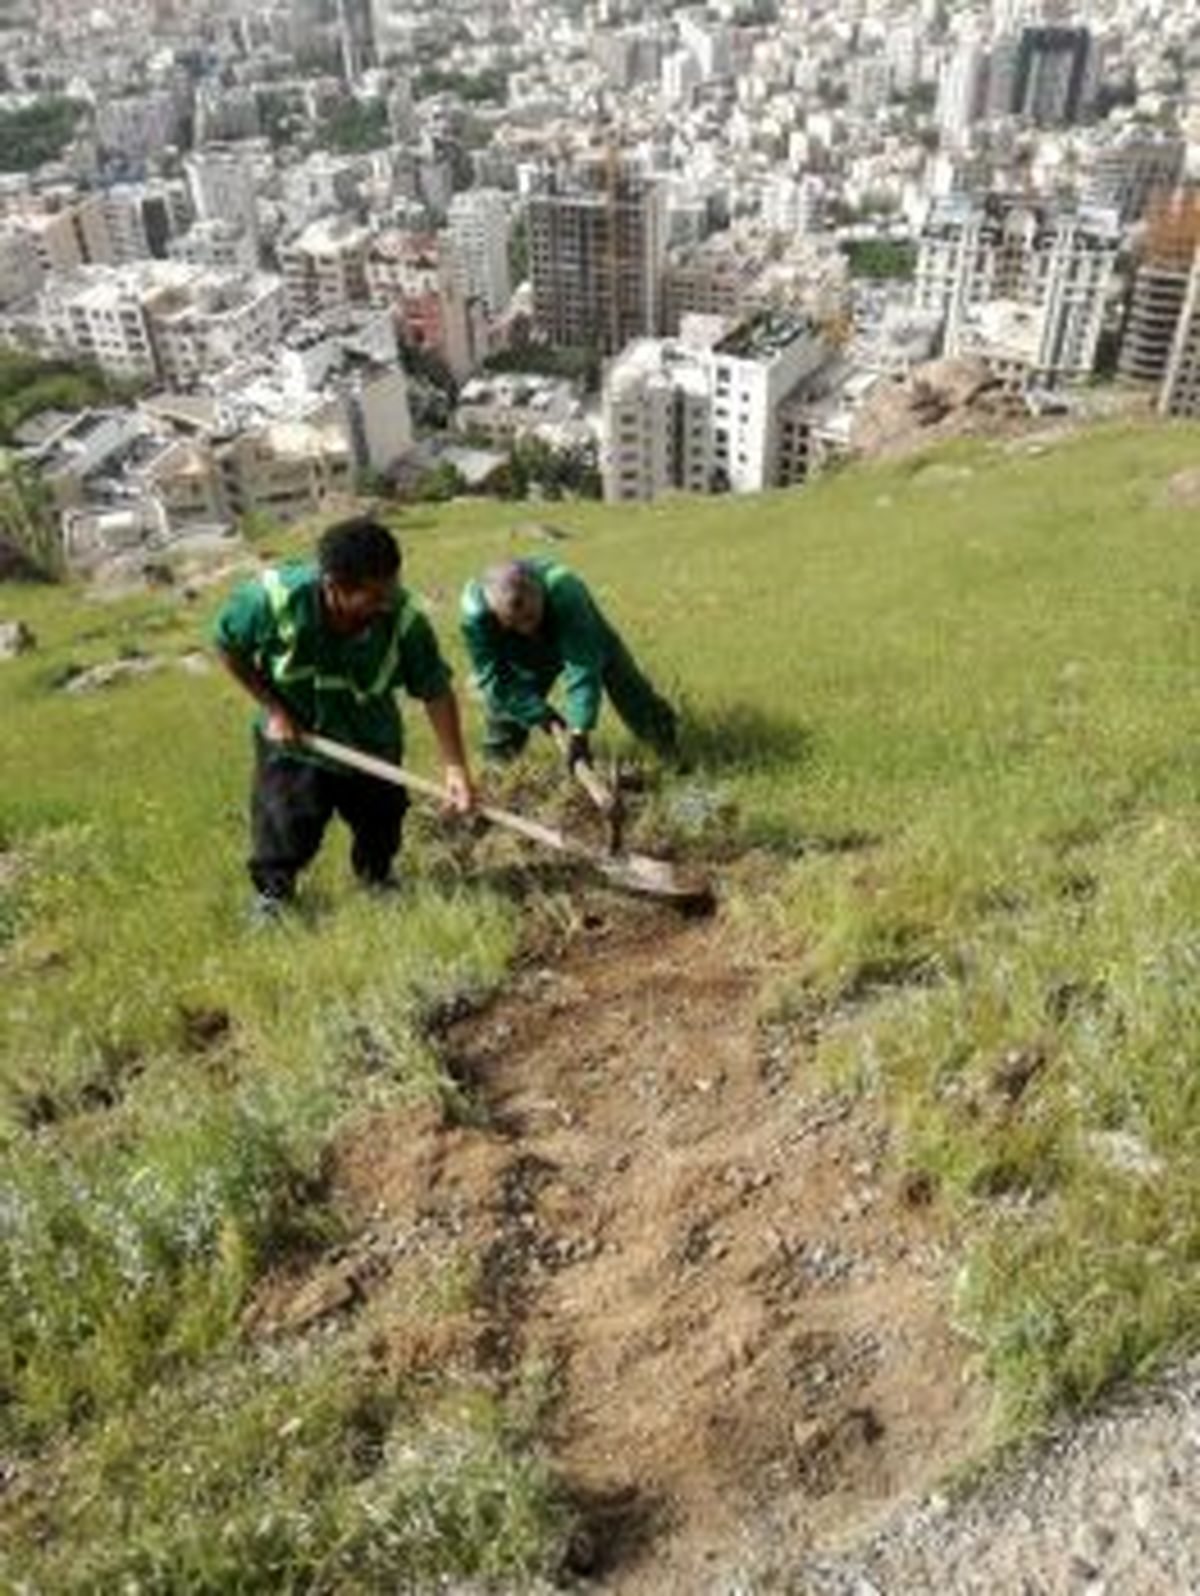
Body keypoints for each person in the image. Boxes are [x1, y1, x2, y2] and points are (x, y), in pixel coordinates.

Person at [214, 516, 474, 918]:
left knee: (381, 823)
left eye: (390, 588)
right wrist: (274, 710)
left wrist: (455, 768)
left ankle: (377, 882)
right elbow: (228, 647)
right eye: (373, 596)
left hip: (372, 739)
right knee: (283, 826)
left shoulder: (404, 620)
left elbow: (436, 692)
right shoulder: (272, 601)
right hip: (296, 741)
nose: (386, 603)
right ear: (333, 584)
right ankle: (274, 899)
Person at [459, 556, 677, 770]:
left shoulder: (565, 590)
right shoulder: (475, 615)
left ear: (539, 590)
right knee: (507, 707)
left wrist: (579, 731)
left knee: (625, 683)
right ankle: (498, 768)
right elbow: (496, 680)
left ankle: (670, 748)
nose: (526, 629)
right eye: (513, 622)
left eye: (530, 617)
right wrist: (540, 714)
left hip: (573, 623)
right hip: (514, 648)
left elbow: (583, 666)